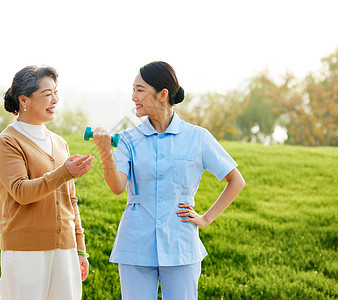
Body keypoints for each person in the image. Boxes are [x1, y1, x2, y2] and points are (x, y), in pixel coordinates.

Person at [92, 61, 245, 300]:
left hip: (181, 244)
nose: (134, 97)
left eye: (140, 90)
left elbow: (236, 180)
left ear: (163, 94)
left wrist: (206, 218)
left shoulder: (198, 137)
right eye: (133, 89)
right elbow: (117, 187)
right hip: (135, 244)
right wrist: (105, 153)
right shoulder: (128, 139)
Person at [0, 65, 93, 300]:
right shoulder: (7, 142)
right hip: (26, 250)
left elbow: (70, 200)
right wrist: (63, 173)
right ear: (24, 100)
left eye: (56, 92)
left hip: (65, 248)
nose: (55, 100)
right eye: (47, 94)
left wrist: (79, 248)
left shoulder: (59, 142)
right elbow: (21, 192)